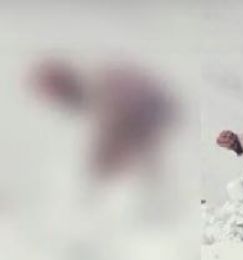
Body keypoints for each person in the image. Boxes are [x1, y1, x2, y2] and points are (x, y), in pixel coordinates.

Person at [32, 57, 174, 180]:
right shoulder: (100, 88)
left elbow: (119, 128)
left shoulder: (103, 89)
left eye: (59, 98)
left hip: (149, 114)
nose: (60, 105)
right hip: (146, 117)